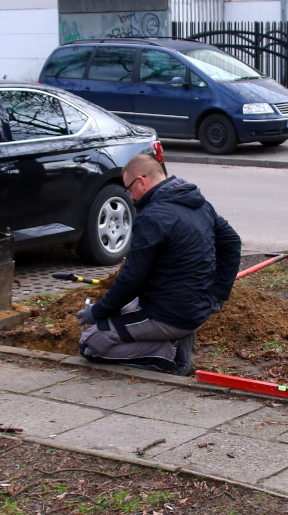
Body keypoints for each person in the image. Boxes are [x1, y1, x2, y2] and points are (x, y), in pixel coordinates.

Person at [76, 154, 241, 375]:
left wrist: (97, 311)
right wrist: (219, 293)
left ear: (142, 181)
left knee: (91, 344)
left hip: (168, 314)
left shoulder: (153, 217)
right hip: (196, 308)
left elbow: (132, 279)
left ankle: (171, 354)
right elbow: (232, 241)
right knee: (120, 311)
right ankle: (173, 340)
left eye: (129, 189)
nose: (130, 197)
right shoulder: (200, 205)